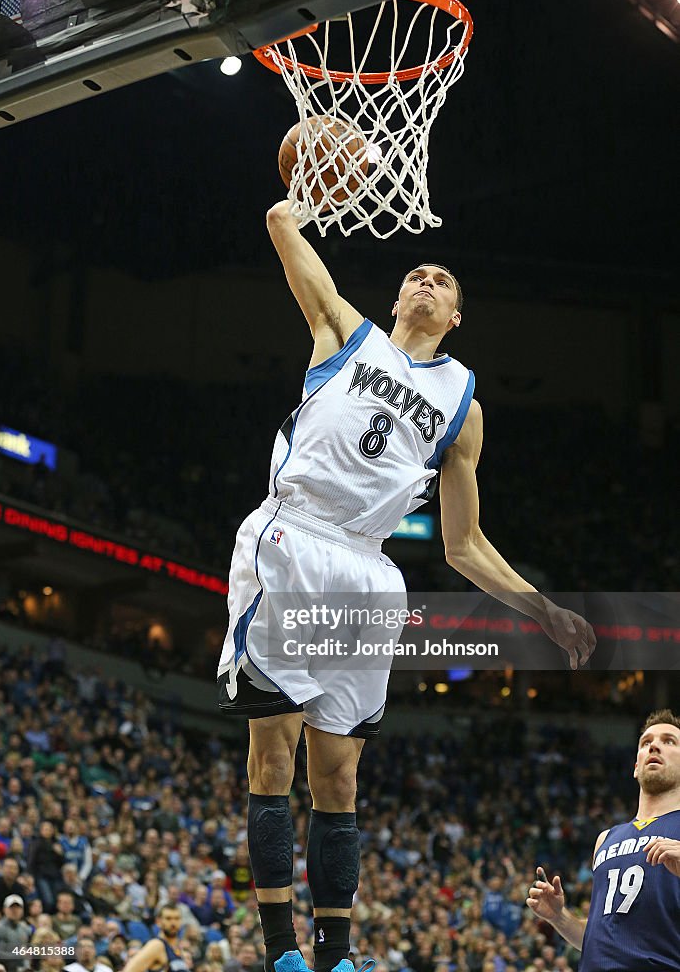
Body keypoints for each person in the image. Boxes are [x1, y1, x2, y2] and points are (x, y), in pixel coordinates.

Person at [217, 202, 596, 972]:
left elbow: (463, 545)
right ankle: (279, 953)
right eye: (415, 275)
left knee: (340, 775)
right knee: (273, 759)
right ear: (396, 300)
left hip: (367, 566)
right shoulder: (343, 333)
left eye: (442, 280)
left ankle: (337, 955)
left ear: (456, 316)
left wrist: (541, 608)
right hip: (295, 536)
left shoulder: (463, 406)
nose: (425, 282)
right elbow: (279, 226)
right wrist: (311, 185)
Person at [526, 709, 680, 971]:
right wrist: (559, 918)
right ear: (635, 767)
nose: (654, 745)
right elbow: (601, 935)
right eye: (646, 742)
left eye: (669, 741)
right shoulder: (606, 839)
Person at [120, 904, 188, 972]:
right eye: (168, 918)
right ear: (158, 921)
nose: (173, 923)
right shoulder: (156, 945)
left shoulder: (178, 947)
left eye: (177, 918)